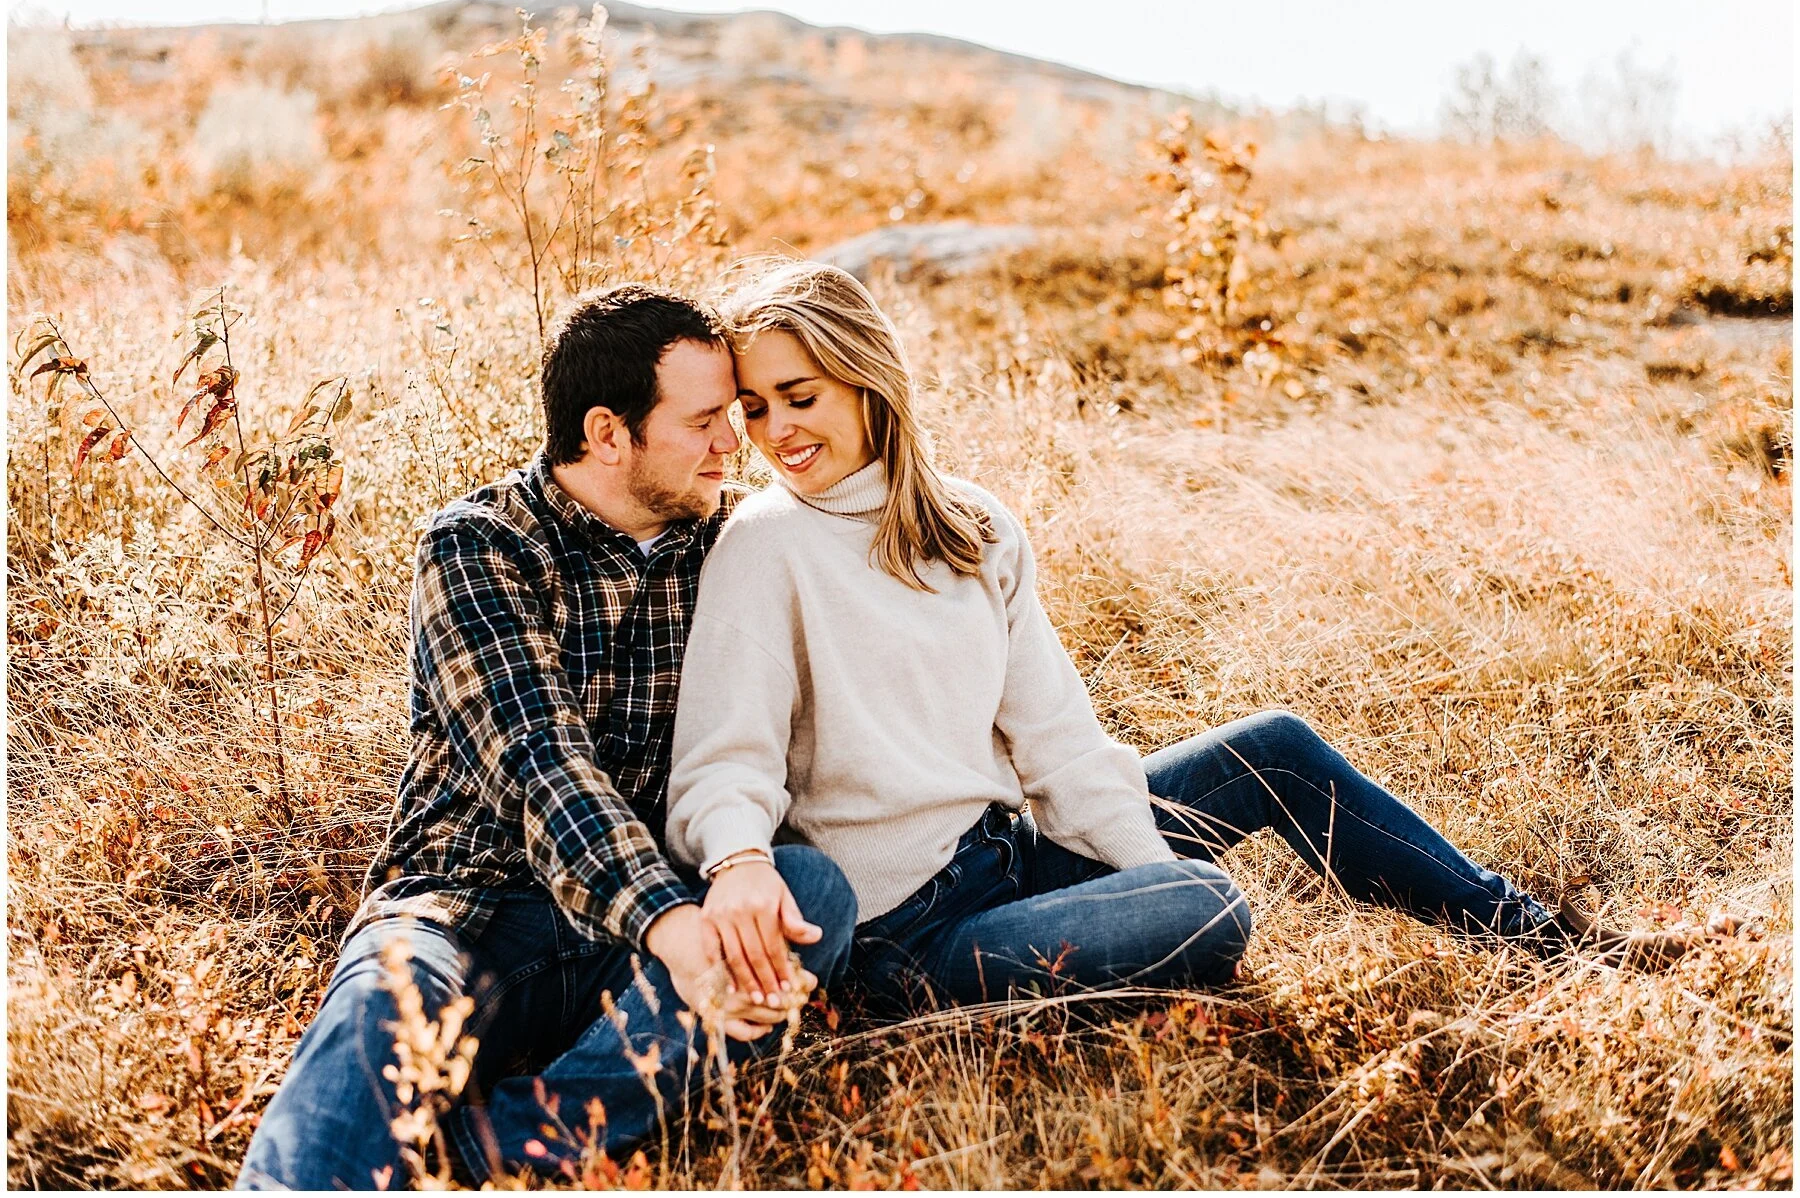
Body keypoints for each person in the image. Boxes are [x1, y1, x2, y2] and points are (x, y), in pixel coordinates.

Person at [665, 259, 1708, 1020]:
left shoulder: (971, 526)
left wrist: (1133, 875)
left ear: (869, 382)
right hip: (907, 938)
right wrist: (742, 863)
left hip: (1009, 861)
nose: (777, 433)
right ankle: (1004, 981)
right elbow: (726, 762)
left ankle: (1542, 941)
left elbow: (1059, 742)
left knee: (1276, 749)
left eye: (799, 398)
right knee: (1209, 907)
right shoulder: (763, 547)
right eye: (754, 409)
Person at [237, 284, 858, 1190]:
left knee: (807, 894)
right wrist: (676, 929)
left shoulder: (735, 546)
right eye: (704, 422)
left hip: (643, 937)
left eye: (732, 416)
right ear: (610, 434)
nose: (736, 444)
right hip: (473, 913)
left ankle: (505, 1148)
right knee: (381, 999)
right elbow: (540, 764)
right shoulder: (480, 547)